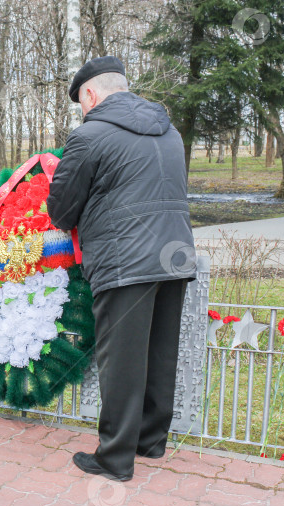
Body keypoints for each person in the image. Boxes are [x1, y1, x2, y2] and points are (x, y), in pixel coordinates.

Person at [47, 56, 197, 482]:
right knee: (159, 351)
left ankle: (114, 458)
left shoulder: (90, 135)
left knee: (122, 360)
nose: (82, 110)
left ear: (91, 93)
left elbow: (61, 208)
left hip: (123, 257)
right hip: (174, 255)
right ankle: (150, 441)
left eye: (80, 101)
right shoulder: (171, 132)